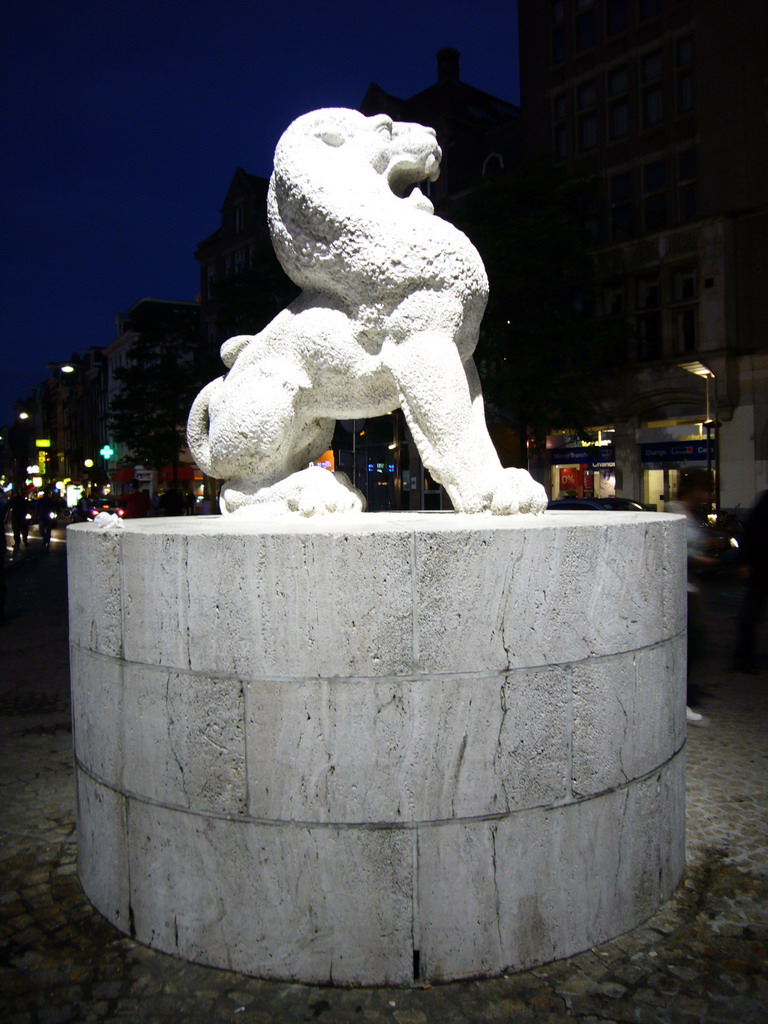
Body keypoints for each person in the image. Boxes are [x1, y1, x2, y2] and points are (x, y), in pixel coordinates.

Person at [667, 469, 719, 725]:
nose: (706, 497)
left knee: (694, 642)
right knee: (685, 645)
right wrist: (701, 559)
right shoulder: (674, 512)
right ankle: (677, 702)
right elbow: (674, 551)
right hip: (680, 589)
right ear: (692, 490)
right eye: (703, 491)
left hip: (692, 586)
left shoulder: (691, 515)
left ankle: (678, 698)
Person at [733, 490, 768, 674]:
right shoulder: (766, 501)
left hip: (760, 567)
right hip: (761, 568)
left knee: (751, 614)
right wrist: (745, 561)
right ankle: (742, 657)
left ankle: (743, 656)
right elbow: (753, 531)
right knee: (751, 615)